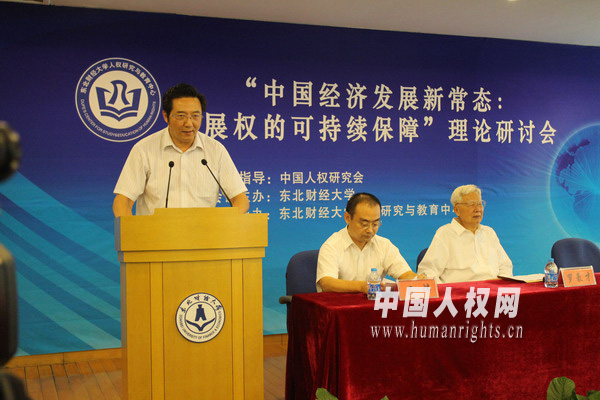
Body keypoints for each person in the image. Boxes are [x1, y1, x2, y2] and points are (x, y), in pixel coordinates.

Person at [113, 83, 249, 216]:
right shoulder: (144, 149)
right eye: (181, 116)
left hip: (204, 231)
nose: (189, 123)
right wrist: (131, 228)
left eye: (195, 116)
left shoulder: (215, 150)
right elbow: (123, 201)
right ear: (166, 116)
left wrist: (226, 223)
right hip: (156, 231)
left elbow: (240, 199)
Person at [316, 192, 422, 293]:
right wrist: (362, 287)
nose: (370, 230)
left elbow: (404, 273)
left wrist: (418, 280)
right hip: (340, 304)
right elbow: (326, 283)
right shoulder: (331, 246)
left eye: (375, 224)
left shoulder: (384, 245)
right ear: (347, 218)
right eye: (364, 224)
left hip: (373, 303)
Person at [417, 184, 513, 283]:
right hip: (461, 291)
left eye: (480, 204)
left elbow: (505, 266)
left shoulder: (489, 232)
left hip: (492, 290)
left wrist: (501, 286)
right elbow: (428, 272)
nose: (478, 209)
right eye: (471, 204)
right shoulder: (445, 233)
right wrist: (445, 291)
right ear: (456, 210)